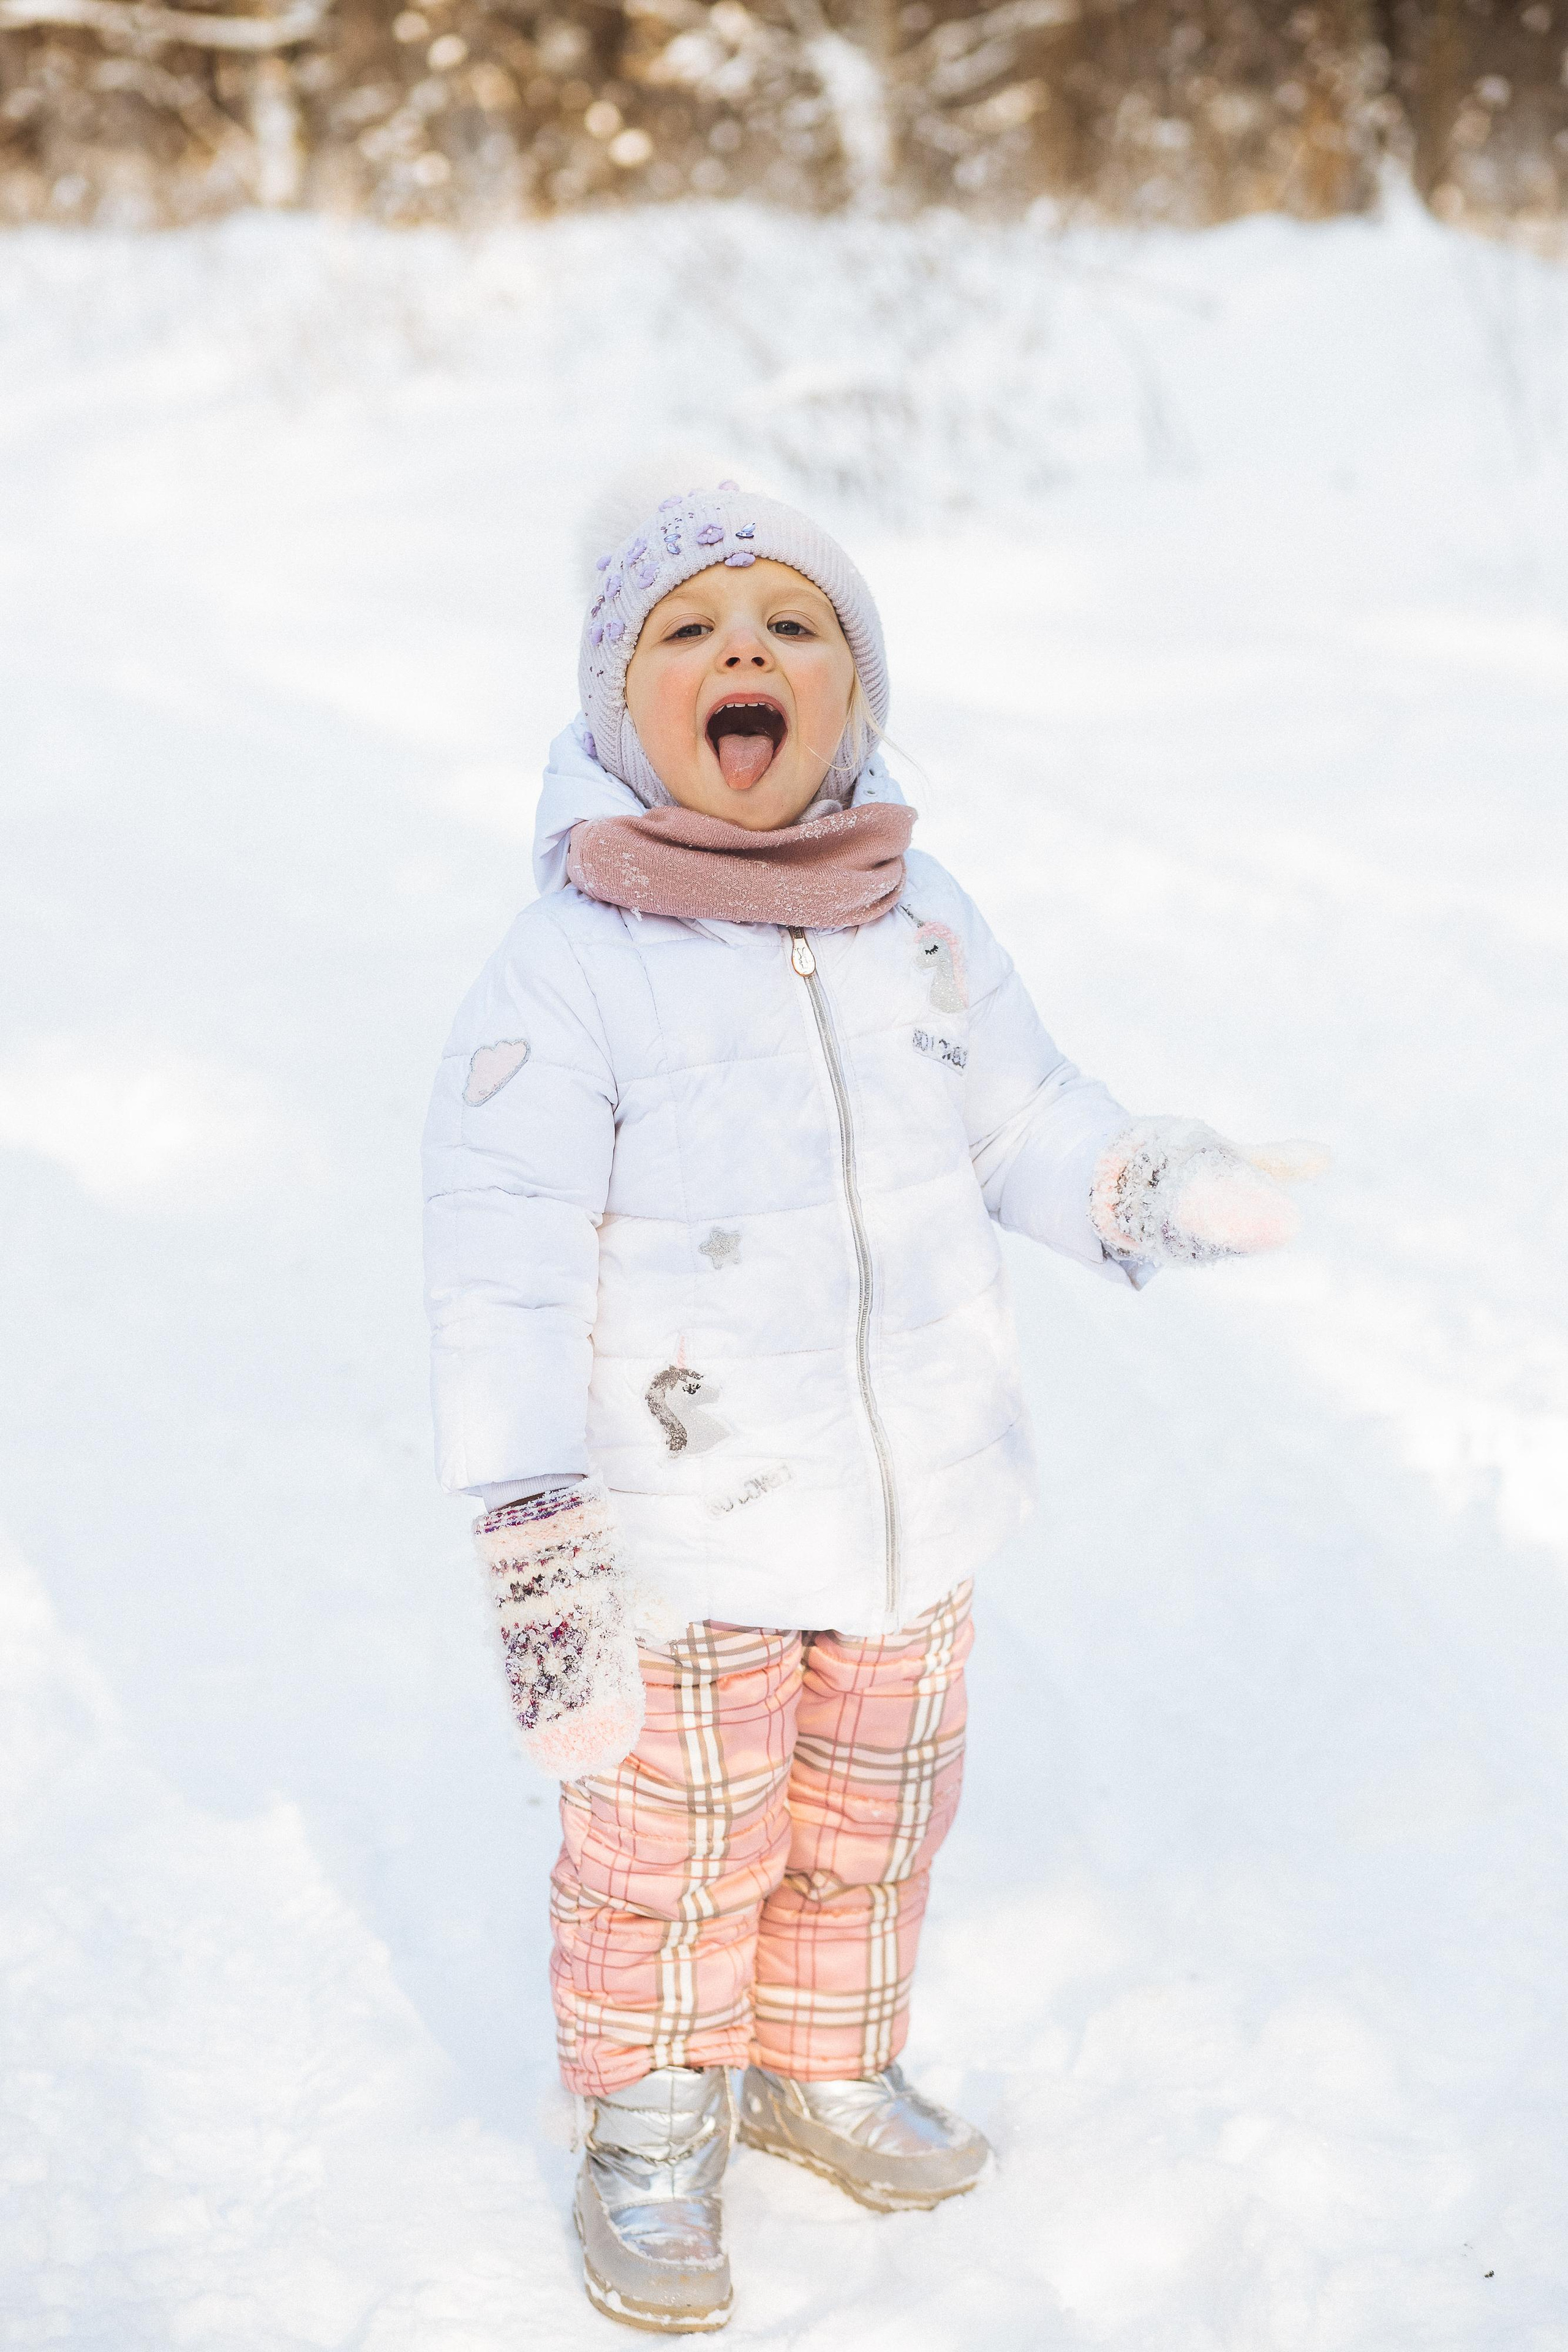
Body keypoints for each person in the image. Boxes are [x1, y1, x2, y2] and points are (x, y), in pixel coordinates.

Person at [421, 484, 1325, 2334]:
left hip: (913, 1516)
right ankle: (656, 2121)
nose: (743, 651)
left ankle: (820, 2064)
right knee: (671, 1853)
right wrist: (535, 1540)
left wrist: (1150, 1187)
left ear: (854, 695)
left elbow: (1024, 1121)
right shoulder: (571, 970)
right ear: (618, 711)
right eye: (688, 630)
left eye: (792, 624)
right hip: (683, 1542)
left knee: (873, 1820)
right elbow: (500, 1273)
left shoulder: (921, 920)